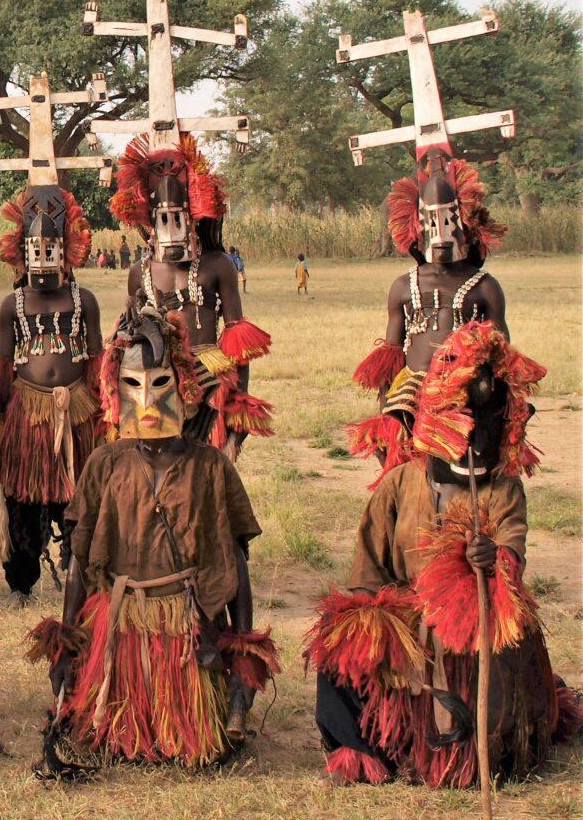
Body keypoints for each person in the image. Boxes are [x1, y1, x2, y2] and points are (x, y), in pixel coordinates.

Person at [308, 322, 577, 786]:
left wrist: (492, 561)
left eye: (486, 422)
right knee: (340, 653)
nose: (473, 435)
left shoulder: (504, 489)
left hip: (478, 624)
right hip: (407, 624)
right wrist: (373, 626)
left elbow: (513, 552)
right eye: (460, 418)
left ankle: (474, 751)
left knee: (490, 688)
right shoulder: (398, 484)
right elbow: (368, 570)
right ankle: (360, 749)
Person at [30, 307, 278, 775]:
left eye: (159, 383)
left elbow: (234, 560)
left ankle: (191, 712)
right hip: (121, 624)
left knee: (192, 746)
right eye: (132, 385)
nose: (145, 401)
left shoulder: (210, 468)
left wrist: (241, 651)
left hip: (183, 623)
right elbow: (81, 559)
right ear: (113, 392)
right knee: (112, 740)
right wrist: (67, 643)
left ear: (183, 388)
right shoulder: (104, 464)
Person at [348, 153, 509, 485]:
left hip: (467, 391)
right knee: (406, 469)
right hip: (412, 388)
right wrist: (386, 416)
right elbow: (390, 358)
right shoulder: (402, 287)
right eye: (430, 220)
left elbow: (503, 361)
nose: (440, 230)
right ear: (416, 225)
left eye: (448, 219)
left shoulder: (486, 288)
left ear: (464, 222)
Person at [0, 182, 102, 604]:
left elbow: (98, 361)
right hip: (26, 416)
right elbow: (0, 369)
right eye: (37, 250)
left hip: (78, 411)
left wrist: (104, 413)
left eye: (52, 249)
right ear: (22, 252)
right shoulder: (11, 305)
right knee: (22, 500)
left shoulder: (83, 300)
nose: (44, 257)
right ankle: (21, 581)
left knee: (81, 493)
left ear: (66, 250)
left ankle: (80, 571)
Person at [116, 136, 272, 458]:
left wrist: (236, 416)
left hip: (210, 385)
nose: (171, 228)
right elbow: (128, 343)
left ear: (194, 216)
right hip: (156, 388)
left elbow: (237, 346)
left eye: (179, 218)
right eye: (163, 219)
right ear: (150, 219)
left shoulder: (218, 265)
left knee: (203, 480)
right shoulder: (138, 272)